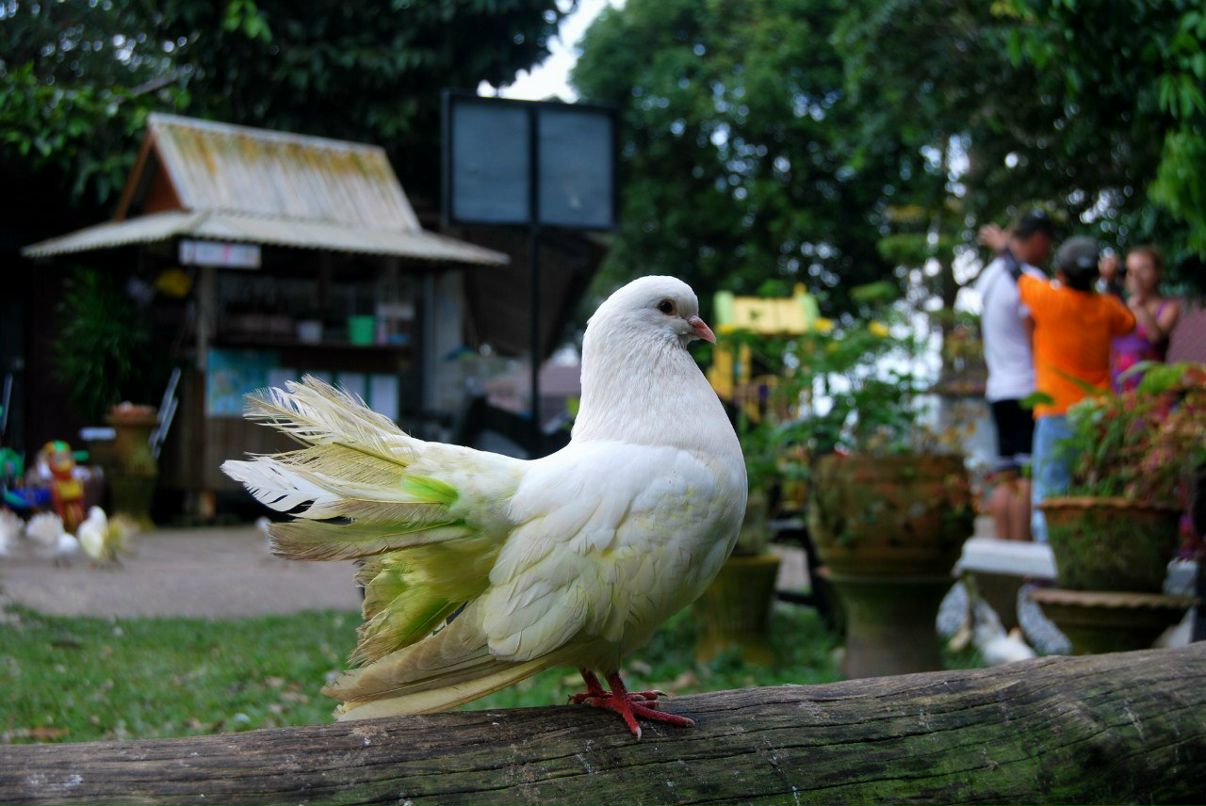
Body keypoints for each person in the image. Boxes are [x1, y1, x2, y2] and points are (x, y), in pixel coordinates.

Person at [1000, 236, 1136, 542]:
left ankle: (1050, 564)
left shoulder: (1049, 300)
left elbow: (1014, 273)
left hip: (1057, 410)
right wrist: (1112, 283)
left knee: (1051, 492)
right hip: (1099, 415)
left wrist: (1002, 245)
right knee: (1095, 486)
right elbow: (1128, 323)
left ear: (1060, 273)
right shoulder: (1107, 308)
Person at [975, 210, 1054, 541]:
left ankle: (1004, 555)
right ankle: (1022, 558)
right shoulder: (1029, 279)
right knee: (1026, 476)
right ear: (1037, 239)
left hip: (998, 388)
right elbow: (1035, 331)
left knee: (1005, 475)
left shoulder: (989, 276)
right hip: (1027, 386)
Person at [1100, 246, 1181, 390]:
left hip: (1150, 389)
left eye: (1144, 269)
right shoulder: (1116, 303)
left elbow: (1155, 336)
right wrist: (1108, 279)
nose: (1136, 276)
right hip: (1115, 388)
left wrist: (1139, 302)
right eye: (1131, 270)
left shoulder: (1169, 307)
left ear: (1158, 273)